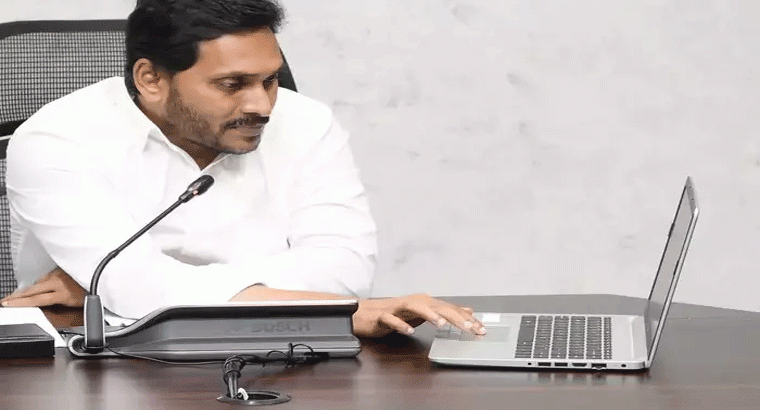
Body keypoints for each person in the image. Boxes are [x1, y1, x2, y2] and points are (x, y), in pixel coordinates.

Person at [0, 0, 485, 338]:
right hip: (100, 359)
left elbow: (346, 275)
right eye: (232, 84)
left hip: (286, 351)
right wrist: (131, 288)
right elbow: (132, 284)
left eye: (269, 80)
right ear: (150, 79)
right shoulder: (56, 140)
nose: (263, 105)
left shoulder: (308, 123)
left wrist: (124, 290)